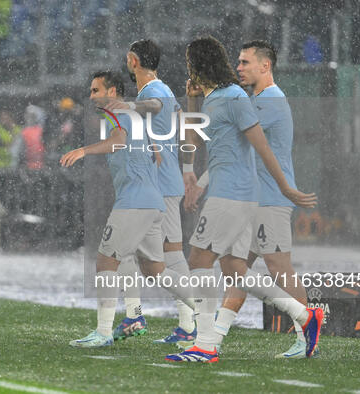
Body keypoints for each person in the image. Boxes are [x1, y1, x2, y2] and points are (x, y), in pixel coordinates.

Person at [166, 36, 321, 363]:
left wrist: (202, 180)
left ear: (265, 66)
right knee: (236, 270)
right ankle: (214, 338)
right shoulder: (242, 98)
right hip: (253, 195)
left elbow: (248, 144)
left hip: (265, 197)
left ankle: (305, 328)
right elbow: (222, 140)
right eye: (237, 62)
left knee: (278, 267)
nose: (239, 67)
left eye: (245, 62)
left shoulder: (267, 100)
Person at [63, 71, 194, 348]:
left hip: (134, 203)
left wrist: (83, 151)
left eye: (95, 90)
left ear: (112, 91)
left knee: (105, 262)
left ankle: (102, 333)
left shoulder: (118, 115)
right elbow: (156, 155)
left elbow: (119, 142)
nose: (91, 96)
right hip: (153, 202)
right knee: (156, 270)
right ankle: (204, 309)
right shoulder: (138, 120)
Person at [103, 39, 196, 346]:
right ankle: (137, 316)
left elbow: (155, 108)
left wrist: (127, 106)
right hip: (159, 184)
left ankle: (193, 320)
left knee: (168, 258)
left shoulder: (153, 92)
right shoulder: (165, 89)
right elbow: (181, 122)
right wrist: (185, 167)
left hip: (160, 187)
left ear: (133, 60)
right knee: (130, 252)